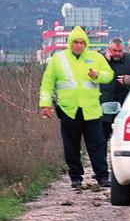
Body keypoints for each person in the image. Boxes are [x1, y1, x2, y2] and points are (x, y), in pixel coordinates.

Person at [39, 26, 114, 188]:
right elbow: (47, 83)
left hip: (91, 109)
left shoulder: (96, 57)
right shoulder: (58, 60)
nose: (79, 45)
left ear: (86, 43)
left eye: (82, 42)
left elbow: (109, 75)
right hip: (69, 110)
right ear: (70, 43)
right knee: (71, 146)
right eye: (76, 42)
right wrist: (45, 104)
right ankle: (76, 177)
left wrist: (97, 76)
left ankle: (102, 176)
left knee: (97, 145)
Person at [100, 38, 130, 160]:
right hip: (105, 104)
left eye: (120, 51)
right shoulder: (101, 60)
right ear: (109, 50)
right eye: (114, 51)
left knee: (123, 138)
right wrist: (106, 61)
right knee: (102, 139)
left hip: (124, 104)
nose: (117, 53)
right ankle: (102, 167)